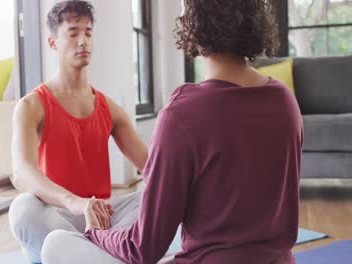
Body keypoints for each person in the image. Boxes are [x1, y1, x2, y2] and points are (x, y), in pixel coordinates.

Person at [40, 0, 303, 263]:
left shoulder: (183, 111)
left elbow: (142, 249)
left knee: (56, 244)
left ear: (196, 24)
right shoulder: (285, 100)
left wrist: (96, 234)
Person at [8, 1, 148, 263]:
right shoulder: (31, 105)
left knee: (150, 200)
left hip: (101, 221)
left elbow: (153, 167)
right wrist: (75, 202)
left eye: (88, 32)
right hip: (56, 216)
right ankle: (93, 254)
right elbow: (21, 173)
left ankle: (81, 254)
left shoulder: (110, 109)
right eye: (73, 33)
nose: (83, 41)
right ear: (53, 43)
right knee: (23, 209)